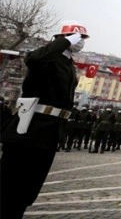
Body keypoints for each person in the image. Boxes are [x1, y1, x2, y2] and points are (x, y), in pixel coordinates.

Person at [0, 21, 89, 219]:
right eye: (76, 37)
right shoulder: (48, 57)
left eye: (83, 39)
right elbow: (33, 59)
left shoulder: (67, 63)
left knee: (29, 188)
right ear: (61, 37)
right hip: (30, 128)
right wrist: (63, 43)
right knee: (10, 186)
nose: (80, 42)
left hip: (50, 132)